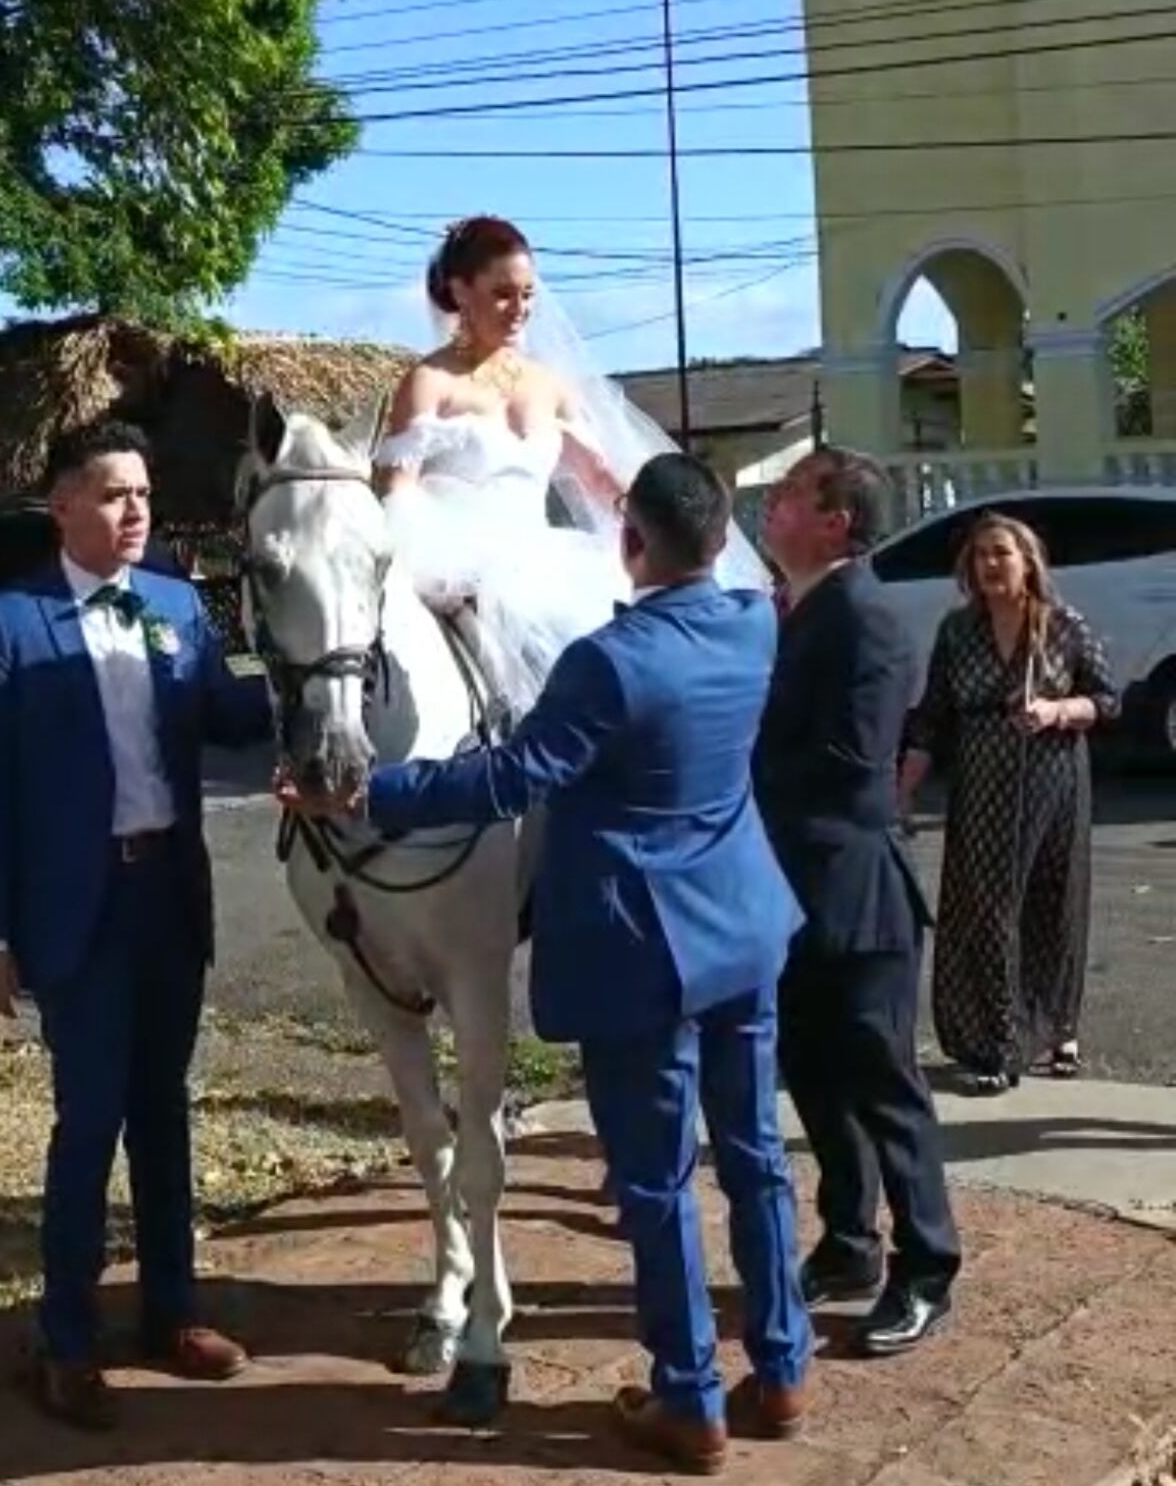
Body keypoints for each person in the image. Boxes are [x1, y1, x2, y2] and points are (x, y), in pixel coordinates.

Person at [281, 454, 812, 1475]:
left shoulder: (608, 661)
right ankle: (783, 1368)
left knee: (656, 1183)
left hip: (640, 948)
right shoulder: (755, 621)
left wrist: (363, 797)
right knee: (754, 1157)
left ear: (631, 539)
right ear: (720, 539)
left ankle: (690, 1398)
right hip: (744, 925)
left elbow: (510, 777)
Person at [0, 420, 272, 1431]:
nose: (135, 509)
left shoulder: (178, 606)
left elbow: (231, 716)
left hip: (169, 898)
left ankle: (171, 1312)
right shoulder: (6, 624)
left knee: (164, 1112)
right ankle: (65, 1340)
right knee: (89, 1120)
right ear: (62, 504)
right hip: (79, 909)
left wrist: (325, 667)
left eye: (142, 492)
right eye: (113, 493)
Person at [376, 214, 767, 716]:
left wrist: (663, 526)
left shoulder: (548, 385)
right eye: (502, 294)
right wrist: (428, 564)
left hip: (541, 559)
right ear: (460, 290)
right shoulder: (429, 381)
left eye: (527, 294)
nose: (520, 309)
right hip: (454, 567)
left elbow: (598, 478)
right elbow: (398, 491)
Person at [754, 449, 961, 1357]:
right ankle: (849, 1243)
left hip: (854, 888)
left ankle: (928, 1266)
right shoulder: (795, 609)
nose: (772, 505)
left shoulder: (865, 617)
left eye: (791, 495)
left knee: (882, 1083)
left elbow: (850, 762)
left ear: (836, 521)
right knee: (813, 1073)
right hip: (789, 890)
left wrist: (728, 768)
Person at [899, 513, 1118, 1093]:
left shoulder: (1062, 626)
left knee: (1052, 904)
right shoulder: (958, 631)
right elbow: (932, 716)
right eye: (980, 555)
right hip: (983, 785)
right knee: (987, 907)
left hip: (1053, 780)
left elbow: (1106, 700)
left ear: (1028, 561)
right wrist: (904, 788)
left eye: (1001, 553)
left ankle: (1055, 1026)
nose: (990, 564)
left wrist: (1056, 710)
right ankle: (996, 1043)